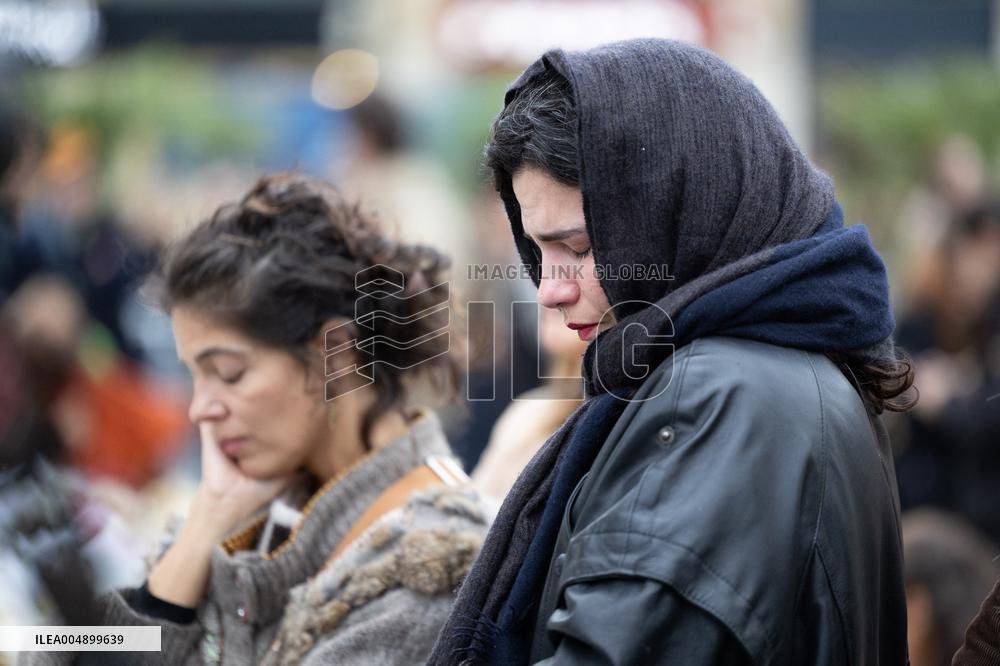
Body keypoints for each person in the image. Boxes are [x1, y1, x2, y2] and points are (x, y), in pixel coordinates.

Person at [429, 39, 913, 664]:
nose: (548, 289)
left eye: (577, 247)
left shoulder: (721, 399)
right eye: (537, 251)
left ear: (681, 212)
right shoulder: (754, 378)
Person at [71, 174, 489, 664]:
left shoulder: (432, 561)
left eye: (228, 373)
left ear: (334, 356)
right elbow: (51, 650)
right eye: (194, 375)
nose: (199, 408)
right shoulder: (252, 506)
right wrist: (201, 529)